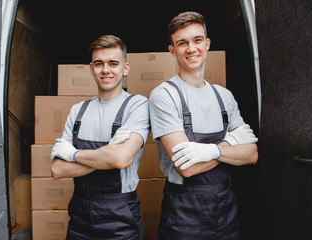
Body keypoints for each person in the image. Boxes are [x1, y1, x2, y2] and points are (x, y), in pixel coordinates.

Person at [148, 12, 259, 239]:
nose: (191, 48)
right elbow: (186, 167)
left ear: (207, 44)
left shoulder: (224, 96)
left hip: (226, 206)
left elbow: (251, 154)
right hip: (184, 213)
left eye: (197, 40)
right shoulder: (164, 95)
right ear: (172, 50)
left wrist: (210, 150)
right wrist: (231, 143)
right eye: (182, 43)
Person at [50, 35, 150, 240]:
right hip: (80, 217)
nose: (106, 70)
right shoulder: (77, 111)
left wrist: (73, 154)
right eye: (99, 64)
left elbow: (120, 159)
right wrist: (107, 155)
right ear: (91, 68)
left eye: (113, 63)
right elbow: (58, 169)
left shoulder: (137, 106)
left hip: (121, 216)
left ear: (125, 68)